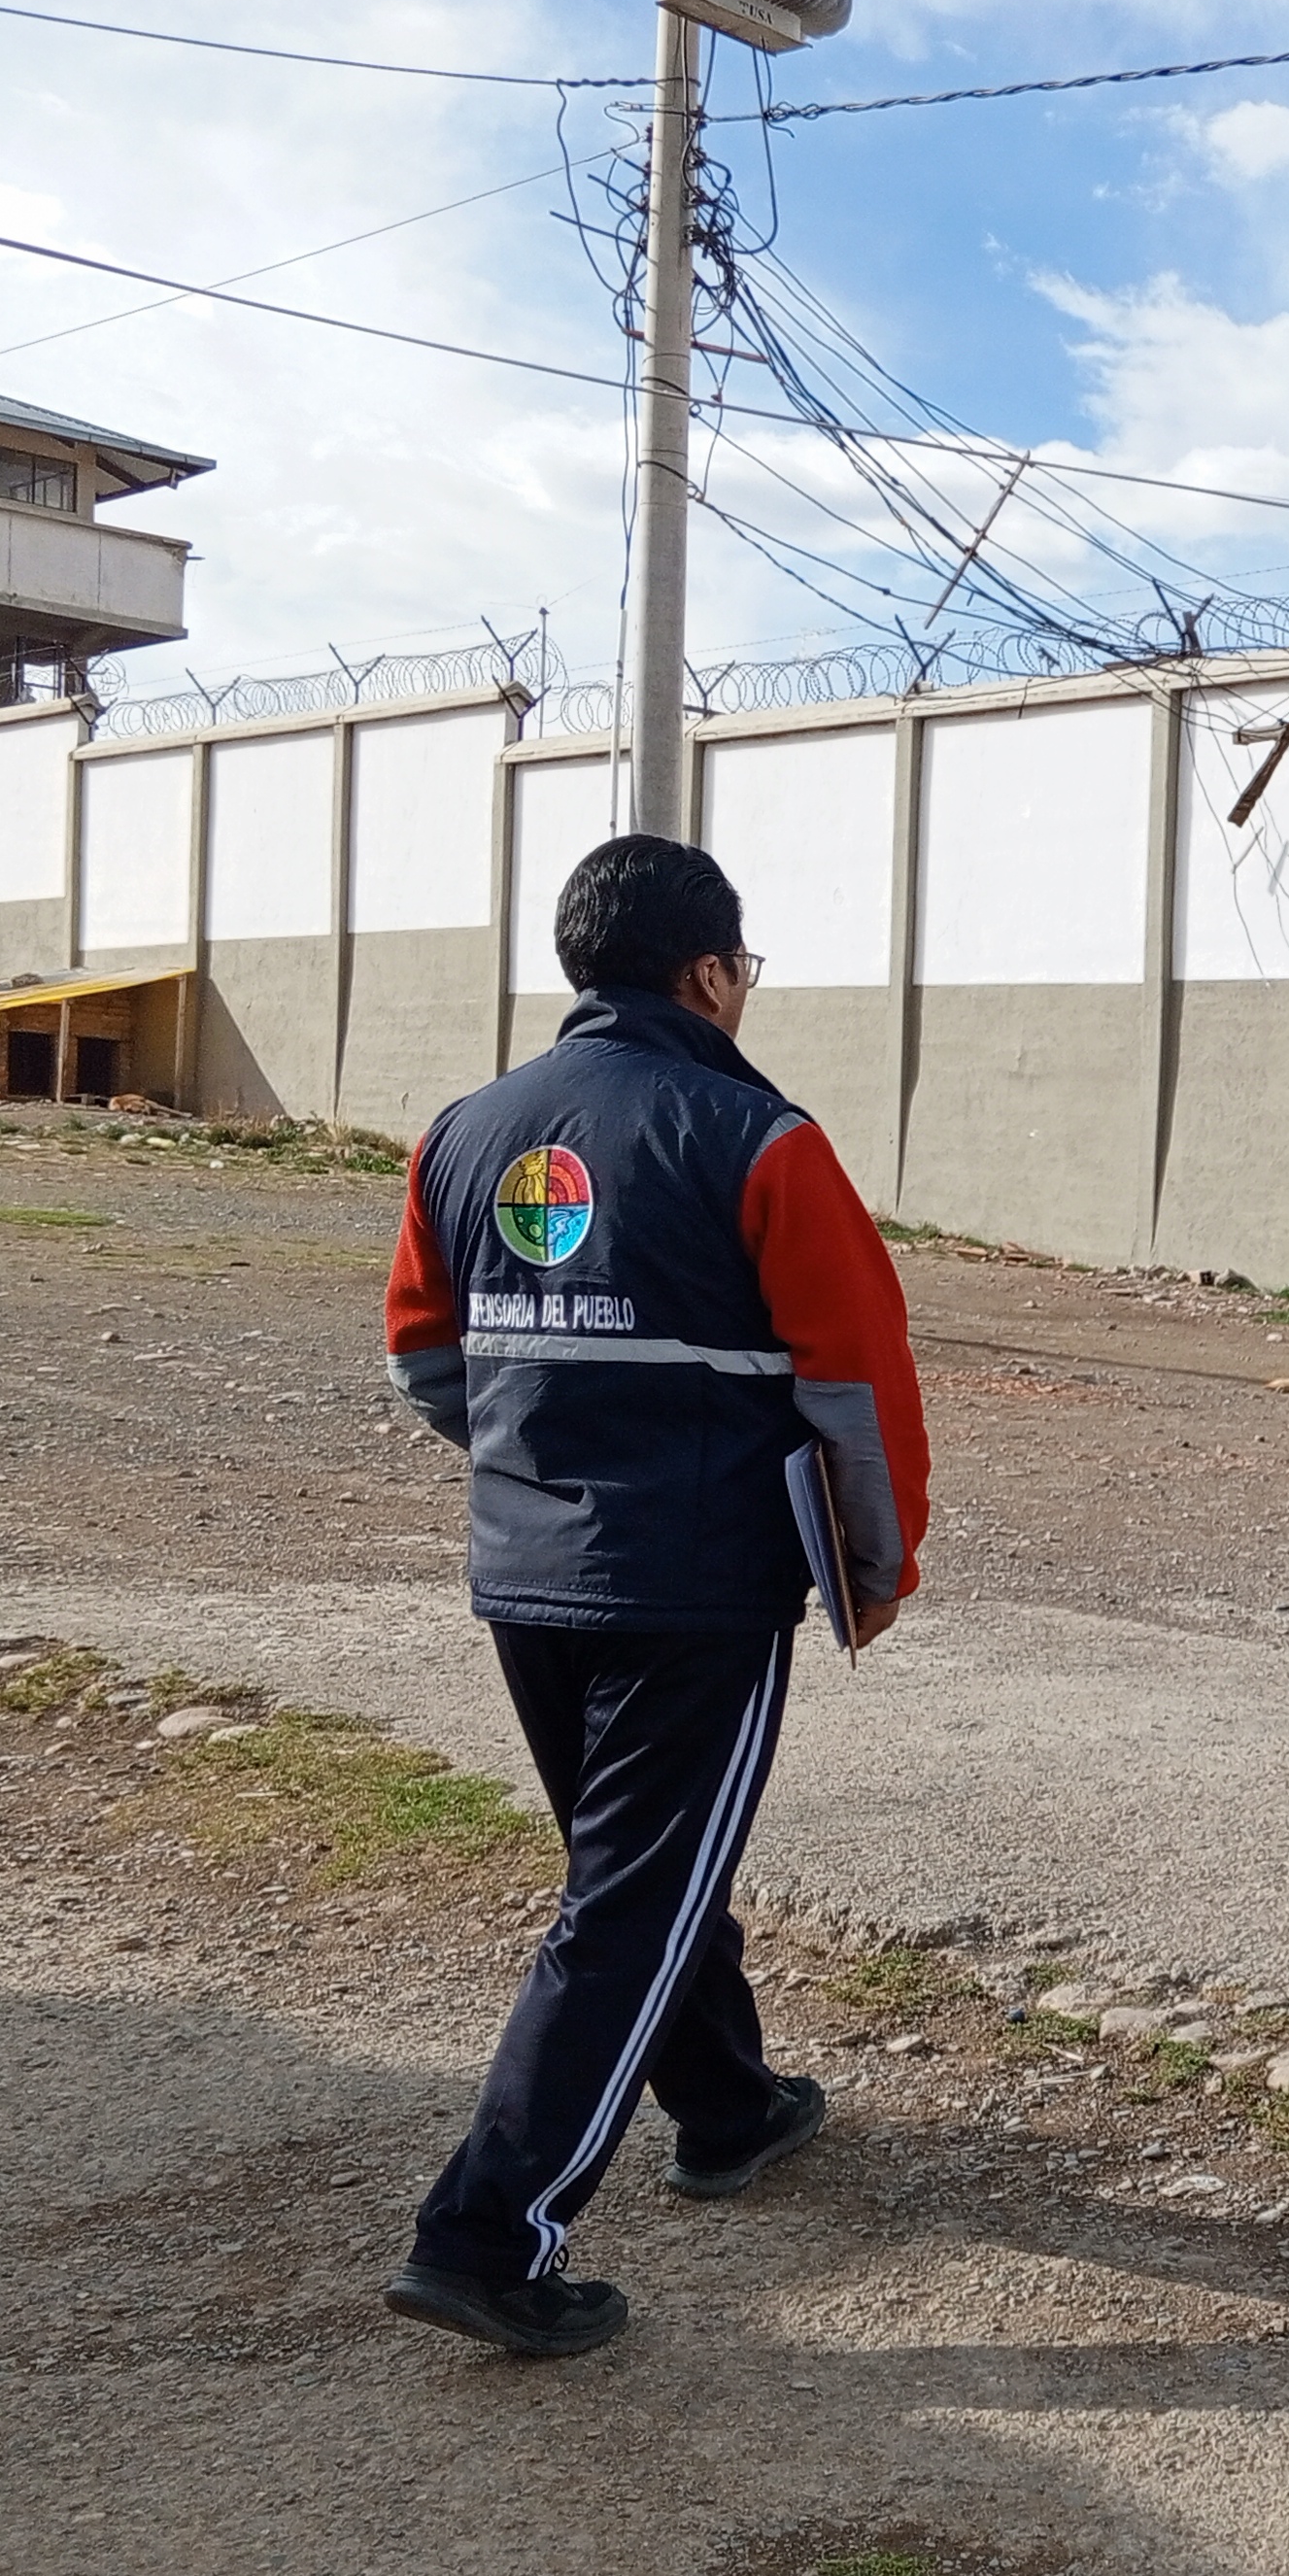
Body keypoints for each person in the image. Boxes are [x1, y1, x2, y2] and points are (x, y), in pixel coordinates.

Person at [377, 833, 932, 2359]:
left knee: (637, 1871)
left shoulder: (465, 1133)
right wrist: (875, 1568)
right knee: (625, 1902)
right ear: (706, 974)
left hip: (525, 1569)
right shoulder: (756, 1138)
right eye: (740, 971)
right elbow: (858, 1389)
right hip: (693, 1586)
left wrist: (540, 1460)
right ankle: (489, 2233)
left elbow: (428, 1361)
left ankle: (729, 2104)